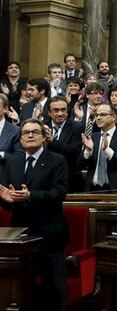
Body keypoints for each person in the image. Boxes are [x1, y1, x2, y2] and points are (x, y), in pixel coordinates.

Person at [0, 118, 69, 311]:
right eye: (26, 133)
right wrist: (6, 199)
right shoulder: (13, 162)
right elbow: (7, 194)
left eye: (35, 132)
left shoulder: (57, 160)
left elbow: (59, 193)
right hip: (21, 234)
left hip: (50, 233)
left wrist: (31, 195)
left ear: (44, 136)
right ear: (20, 139)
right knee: (23, 285)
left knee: (54, 287)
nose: (30, 135)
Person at [80, 103, 117, 200]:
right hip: (93, 190)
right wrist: (88, 152)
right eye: (97, 115)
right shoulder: (93, 137)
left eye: (102, 115)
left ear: (114, 117)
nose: (98, 118)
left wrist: (107, 150)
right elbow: (80, 165)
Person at [45, 96, 84, 193]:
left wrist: (52, 140)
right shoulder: (42, 127)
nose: (60, 114)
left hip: (70, 178)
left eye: (63, 110)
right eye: (56, 110)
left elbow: (74, 152)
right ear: (49, 113)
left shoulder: (77, 127)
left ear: (67, 111)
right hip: (46, 178)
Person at [0, 94, 24, 181]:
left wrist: (1, 154)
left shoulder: (16, 131)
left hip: (4, 181)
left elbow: (20, 157)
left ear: (5, 109)